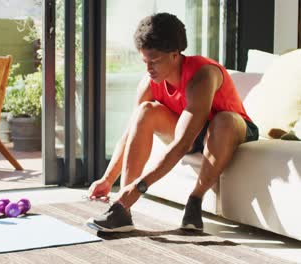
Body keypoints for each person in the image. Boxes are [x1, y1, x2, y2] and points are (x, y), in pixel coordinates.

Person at [86, 12, 259, 232]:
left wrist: (139, 188)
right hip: (193, 132)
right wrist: (108, 179)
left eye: (155, 61)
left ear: (175, 54)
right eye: (145, 61)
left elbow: (182, 143)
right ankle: (122, 209)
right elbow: (131, 131)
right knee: (145, 110)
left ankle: (195, 200)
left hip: (230, 129)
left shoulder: (202, 75)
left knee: (223, 120)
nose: (149, 69)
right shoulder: (150, 81)